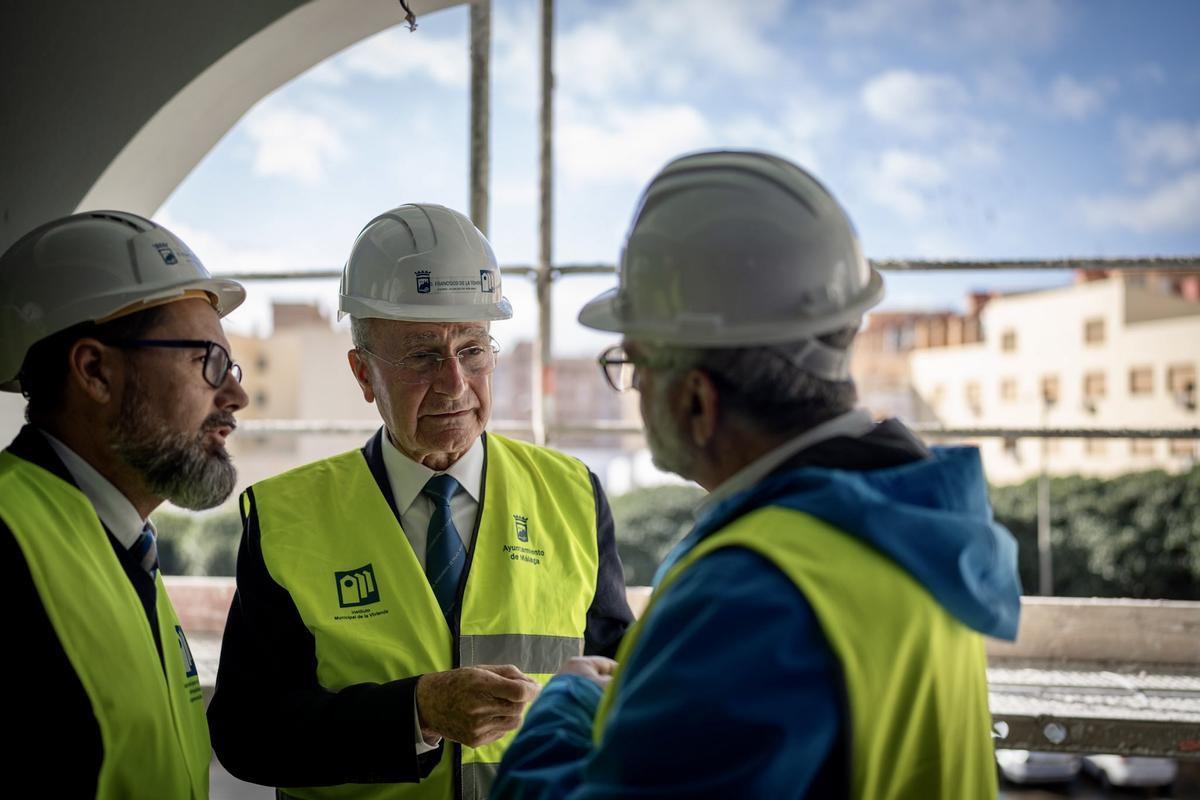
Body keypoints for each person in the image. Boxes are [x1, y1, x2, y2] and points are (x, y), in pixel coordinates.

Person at [492, 150, 1023, 799]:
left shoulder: (749, 592)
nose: (631, 388)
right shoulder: (919, 527)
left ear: (696, 400)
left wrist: (564, 708)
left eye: (633, 365)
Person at [208, 204, 633, 799]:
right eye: (422, 355)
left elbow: (626, 695)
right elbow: (247, 735)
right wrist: (414, 713)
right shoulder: (287, 520)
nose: (455, 383)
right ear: (363, 374)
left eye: (473, 350)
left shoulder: (575, 498)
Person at [0, 210, 249, 798]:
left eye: (230, 367)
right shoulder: (11, 538)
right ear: (94, 371)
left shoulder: (120, 544)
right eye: (207, 362)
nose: (237, 395)